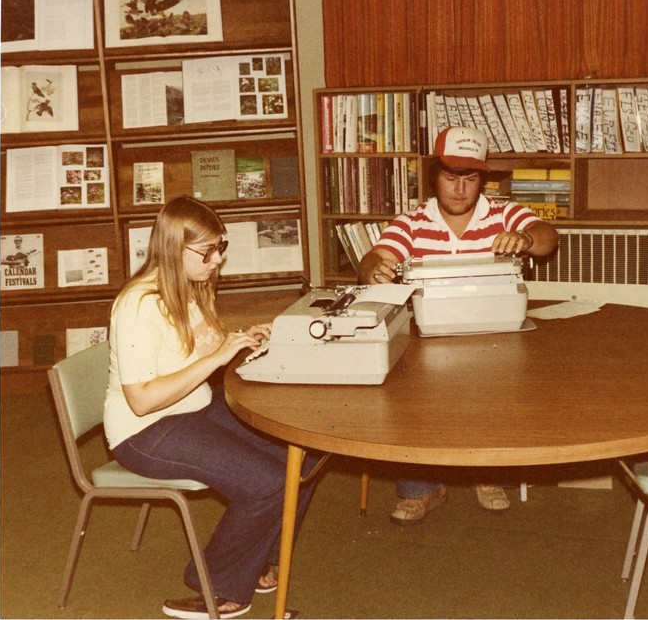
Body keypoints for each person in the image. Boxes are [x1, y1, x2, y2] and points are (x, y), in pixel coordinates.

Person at [104, 196, 319, 619]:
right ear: (172, 248)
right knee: (266, 481)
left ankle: (255, 561)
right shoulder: (139, 305)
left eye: (220, 248)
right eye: (207, 252)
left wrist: (240, 341)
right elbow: (141, 399)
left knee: (302, 457)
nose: (217, 260)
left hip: (193, 406)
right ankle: (220, 589)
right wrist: (217, 359)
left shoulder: (192, 285)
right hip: (143, 430)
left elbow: (197, 350)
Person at [358, 126, 559, 525]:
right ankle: (422, 487)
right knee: (403, 386)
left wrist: (524, 237)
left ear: (482, 180)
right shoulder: (411, 222)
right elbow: (373, 257)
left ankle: (487, 472)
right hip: (428, 333)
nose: (460, 190)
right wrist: (373, 268)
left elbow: (547, 237)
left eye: (470, 179)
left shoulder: (502, 213)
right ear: (435, 176)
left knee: (503, 382)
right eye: (451, 178)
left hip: (494, 331)